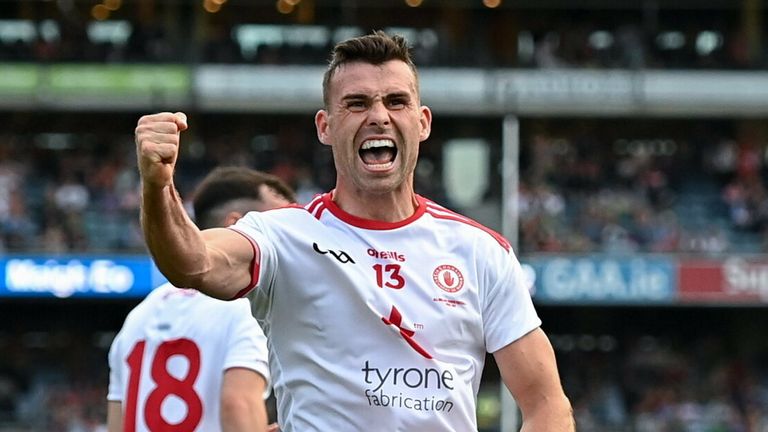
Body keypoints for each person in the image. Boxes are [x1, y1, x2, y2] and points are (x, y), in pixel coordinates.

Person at [135, 31, 574, 431]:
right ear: (326, 127)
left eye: (396, 102)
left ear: (422, 122)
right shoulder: (282, 236)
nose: (379, 117)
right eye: (357, 103)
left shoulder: (480, 251)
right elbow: (192, 262)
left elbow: (546, 404)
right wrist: (158, 187)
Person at [107, 166, 295, 432]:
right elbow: (237, 403)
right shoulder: (248, 305)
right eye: (280, 225)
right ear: (236, 225)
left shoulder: (138, 317)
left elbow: (117, 424)